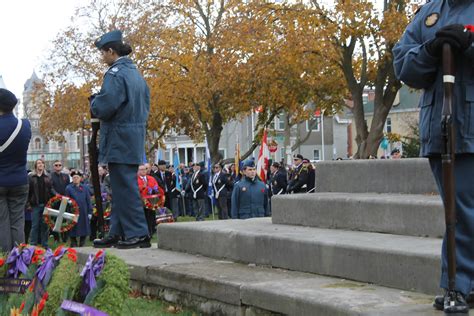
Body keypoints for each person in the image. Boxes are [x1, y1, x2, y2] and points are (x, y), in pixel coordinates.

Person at [393, 3, 474, 313]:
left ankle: (459, 284)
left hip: (469, 123)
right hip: (439, 126)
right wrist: (430, 48)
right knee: (457, 209)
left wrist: (468, 46)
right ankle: (463, 282)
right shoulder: (428, 13)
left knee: (462, 210)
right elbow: (403, 64)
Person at [90, 29, 150, 249]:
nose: (102, 58)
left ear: (111, 51)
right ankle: (116, 231)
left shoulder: (115, 74)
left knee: (125, 186)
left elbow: (104, 107)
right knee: (120, 186)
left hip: (119, 137)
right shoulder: (135, 73)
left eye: (103, 53)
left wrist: (94, 102)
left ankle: (138, 234)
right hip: (132, 136)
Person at [0, 88, 32, 252]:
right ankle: (20, 260)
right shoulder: (25, 125)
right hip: (20, 180)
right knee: (18, 222)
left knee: (2, 223)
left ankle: (5, 263)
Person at [28, 159, 55, 248]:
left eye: (42, 163)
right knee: (35, 226)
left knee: (45, 226)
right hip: (35, 205)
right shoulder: (31, 177)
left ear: (44, 165)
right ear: (35, 165)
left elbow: (51, 189)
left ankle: (45, 245)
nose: (40, 164)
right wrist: (28, 204)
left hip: (46, 205)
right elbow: (28, 191)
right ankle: (33, 245)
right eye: (38, 163)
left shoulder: (48, 177)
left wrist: (58, 196)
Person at [65, 171, 92, 247]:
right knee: (73, 228)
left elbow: (88, 200)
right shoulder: (68, 188)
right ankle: (73, 242)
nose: (76, 179)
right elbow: (66, 199)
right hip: (73, 211)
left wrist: (90, 212)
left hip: (83, 211)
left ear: (80, 178)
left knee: (84, 227)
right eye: (74, 178)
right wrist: (69, 202)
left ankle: (82, 242)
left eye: (77, 177)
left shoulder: (85, 187)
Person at [137, 164, 162, 235]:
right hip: (141, 202)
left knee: (151, 216)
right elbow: (134, 188)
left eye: (145, 169)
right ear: (138, 171)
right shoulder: (135, 179)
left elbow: (156, 186)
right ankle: (145, 231)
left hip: (152, 201)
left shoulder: (151, 178)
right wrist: (142, 187)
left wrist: (155, 190)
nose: (143, 171)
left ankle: (152, 230)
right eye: (141, 169)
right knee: (144, 217)